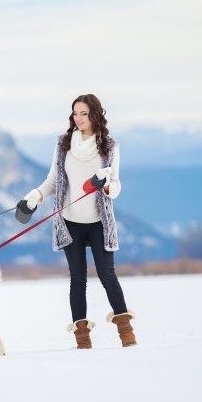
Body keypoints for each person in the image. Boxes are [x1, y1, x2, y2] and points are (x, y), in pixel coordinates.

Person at [17, 94, 136, 349]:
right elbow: (53, 181)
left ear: (95, 115)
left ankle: (126, 333)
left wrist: (105, 187)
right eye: (75, 113)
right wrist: (34, 197)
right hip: (70, 222)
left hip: (99, 223)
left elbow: (115, 184)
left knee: (107, 275)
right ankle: (82, 339)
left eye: (83, 113)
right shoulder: (63, 145)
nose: (78, 118)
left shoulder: (110, 146)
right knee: (77, 278)